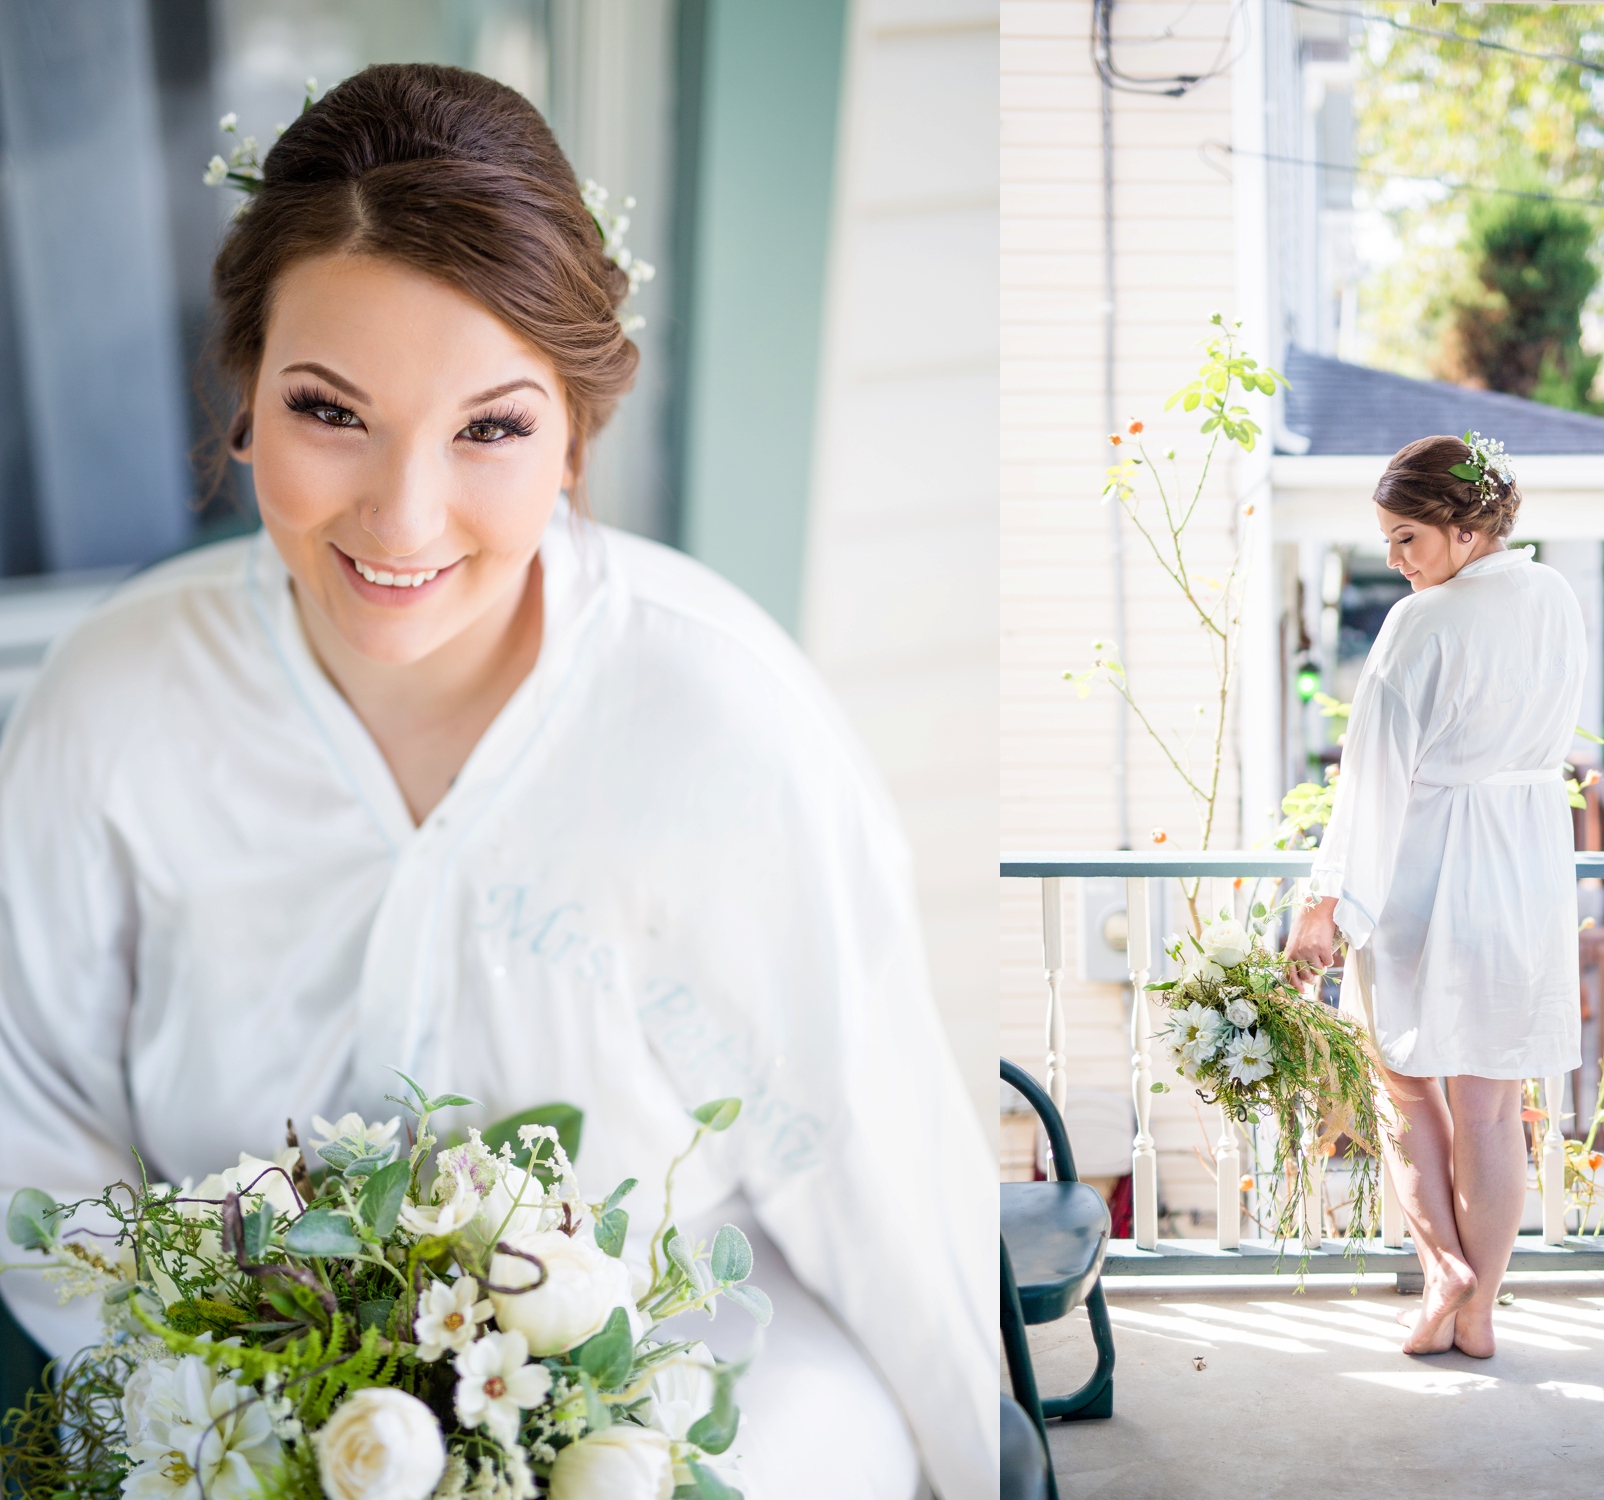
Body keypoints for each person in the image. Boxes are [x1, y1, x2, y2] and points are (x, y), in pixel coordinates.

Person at [0, 64, 993, 1498]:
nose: (402, 517)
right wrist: (213, 1401)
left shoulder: (725, 719)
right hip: (246, 1388)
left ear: (577, 432)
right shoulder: (113, 710)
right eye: (330, 411)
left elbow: (871, 1172)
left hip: (694, 1382)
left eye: (492, 426)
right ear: (245, 401)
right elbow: (28, 1126)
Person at [1284, 433, 1584, 1360]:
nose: (1396, 560)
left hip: (1430, 871)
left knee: (1403, 1095)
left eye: (1407, 537)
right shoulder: (1554, 597)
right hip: (1525, 870)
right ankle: (1481, 1314)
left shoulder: (1423, 623)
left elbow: (1370, 776)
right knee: (1494, 1108)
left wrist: (1324, 901)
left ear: (1461, 526)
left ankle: (1443, 1273)